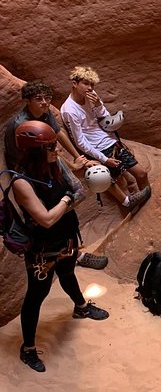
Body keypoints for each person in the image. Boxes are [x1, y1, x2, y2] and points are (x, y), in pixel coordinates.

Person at [11, 121, 109, 373]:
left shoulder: (54, 165)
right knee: (37, 295)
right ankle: (28, 349)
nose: (57, 150)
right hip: (42, 249)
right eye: (51, 146)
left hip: (66, 237)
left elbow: (80, 191)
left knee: (67, 273)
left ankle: (81, 307)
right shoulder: (22, 182)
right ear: (35, 150)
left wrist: (66, 202)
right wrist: (67, 199)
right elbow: (45, 219)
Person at [3, 81, 108, 270]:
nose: (44, 103)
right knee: (48, 215)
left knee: (71, 197)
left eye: (47, 98)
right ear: (27, 101)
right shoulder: (23, 125)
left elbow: (57, 135)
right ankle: (70, 254)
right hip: (29, 173)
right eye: (39, 99)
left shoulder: (44, 113)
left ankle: (73, 250)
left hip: (44, 165)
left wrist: (78, 159)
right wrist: (69, 166)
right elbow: (36, 156)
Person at [60, 66, 151, 212]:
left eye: (92, 84)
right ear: (75, 83)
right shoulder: (69, 110)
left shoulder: (91, 95)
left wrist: (98, 105)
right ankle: (129, 204)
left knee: (142, 174)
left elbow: (105, 117)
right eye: (85, 83)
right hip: (98, 149)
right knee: (105, 178)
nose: (90, 88)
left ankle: (150, 203)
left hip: (112, 141)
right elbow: (80, 141)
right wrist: (104, 159)